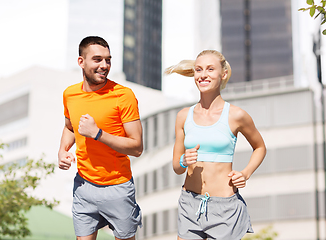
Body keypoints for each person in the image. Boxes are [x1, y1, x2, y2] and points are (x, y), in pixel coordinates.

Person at [165, 50, 266, 240]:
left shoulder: (236, 115)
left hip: (224, 209)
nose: (203, 75)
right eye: (198, 70)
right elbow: (177, 168)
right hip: (190, 204)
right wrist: (184, 159)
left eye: (210, 69)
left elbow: (260, 147)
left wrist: (245, 173)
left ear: (223, 74)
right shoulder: (183, 116)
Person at [58, 36, 143, 240]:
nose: (104, 65)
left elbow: (136, 147)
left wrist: (98, 134)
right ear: (81, 62)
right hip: (83, 186)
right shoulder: (70, 94)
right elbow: (70, 127)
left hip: (118, 187)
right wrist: (63, 150)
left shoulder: (123, 95)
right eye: (97, 59)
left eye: (108, 60)